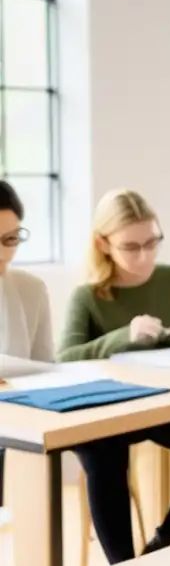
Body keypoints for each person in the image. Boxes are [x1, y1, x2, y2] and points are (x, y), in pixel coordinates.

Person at [59, 189, 170, 564]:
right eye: (131, 247)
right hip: (101, 411)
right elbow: (66, 358)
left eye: (152, 242)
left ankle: (164, 542)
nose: (145, 256)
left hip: (158, 401)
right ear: (102, 244)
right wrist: (124, 335)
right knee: (104, 452)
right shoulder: (88, 295)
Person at [0, 180, 55, 508]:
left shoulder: (31, 289)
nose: (4, 253)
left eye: (11, 239)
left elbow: (47, 366)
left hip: (15, 419)